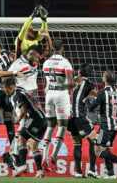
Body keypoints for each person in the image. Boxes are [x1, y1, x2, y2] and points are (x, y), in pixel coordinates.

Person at [88, 70, 117, 179]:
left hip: (106, 125)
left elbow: (91, 108)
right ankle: (111, 174)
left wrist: (91, 97)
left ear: (105, 79)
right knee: (106, 149)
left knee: (97, 151)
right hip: (115, 125)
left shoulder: (102, 93)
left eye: (103, 76)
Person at [42, 39, 76, 171]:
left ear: (52, 49)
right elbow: (71, 83)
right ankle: (53, 156)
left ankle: (44, 158)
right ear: (62, 48)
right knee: (62, 126)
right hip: (61, 95)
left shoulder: (46, 62)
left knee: (50, 127)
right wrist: (77, 81)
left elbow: (45, 82)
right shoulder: (65, 62)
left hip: (49, 94)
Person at [2, 77, 47, 178]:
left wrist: (18, 118)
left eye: (6, 89)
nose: (6, 92)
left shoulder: (16, 95)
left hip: (35, 119)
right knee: (34, 145)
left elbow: (23, 109)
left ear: (12, 87)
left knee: (21, 138)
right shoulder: (21, 90)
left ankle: (22, 165)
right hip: (43, 119)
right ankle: (39, 171)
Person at [6, 45, 41, 169]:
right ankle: (14, 154)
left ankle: (12, 153)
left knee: (26, 123)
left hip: (30, 97)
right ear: (30, 54)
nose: (38, 60)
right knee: (23, 121)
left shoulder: (32, 61)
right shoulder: (18, 64)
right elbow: (6, 77)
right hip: (20, 98)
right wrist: (17, 91)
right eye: (36, 58)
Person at [67, 63, 99, 178]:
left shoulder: (71, 81)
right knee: (94, 140)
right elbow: (98, 96)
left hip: (68, 118)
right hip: (80, 116)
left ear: (79, 71)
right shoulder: (89, 84)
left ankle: (79, 172)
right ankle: (92, 170)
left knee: (77, 143)